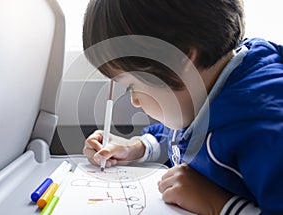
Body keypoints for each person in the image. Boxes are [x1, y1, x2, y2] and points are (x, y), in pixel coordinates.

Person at [82, 0, 283, 214]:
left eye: (132, 86)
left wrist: (220, 205)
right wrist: (137, 146)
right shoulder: (209, 91)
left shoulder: (264, 131)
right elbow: (181, 133)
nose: (135, 101)